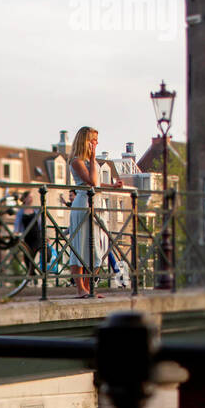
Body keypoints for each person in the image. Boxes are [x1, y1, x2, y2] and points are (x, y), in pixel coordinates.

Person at [68, 126, 122, 298]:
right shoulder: (77, 161)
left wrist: (112, 186)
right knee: (81, 245)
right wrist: (92, 158)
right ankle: (80, 288)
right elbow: (91, 181)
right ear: (86, 141)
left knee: (100, 246)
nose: (97, 143)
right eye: (94, 140)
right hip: (84, 203)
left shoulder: (92, 162)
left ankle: (89, 286)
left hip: (97, 204)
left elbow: (96, 183)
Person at [14, 190, 42, 278]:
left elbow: (40, 223)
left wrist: (44, 235)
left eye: (32, 197)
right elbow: (17, 223)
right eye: (29, 197)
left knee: (32, 254)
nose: (31, 199)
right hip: (27, 236)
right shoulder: (21, 211)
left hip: (36, 235)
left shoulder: (35, 210)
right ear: (25, 199)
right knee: (26, 257)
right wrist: (16, 233)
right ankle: (32, 275)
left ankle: (32, 275)